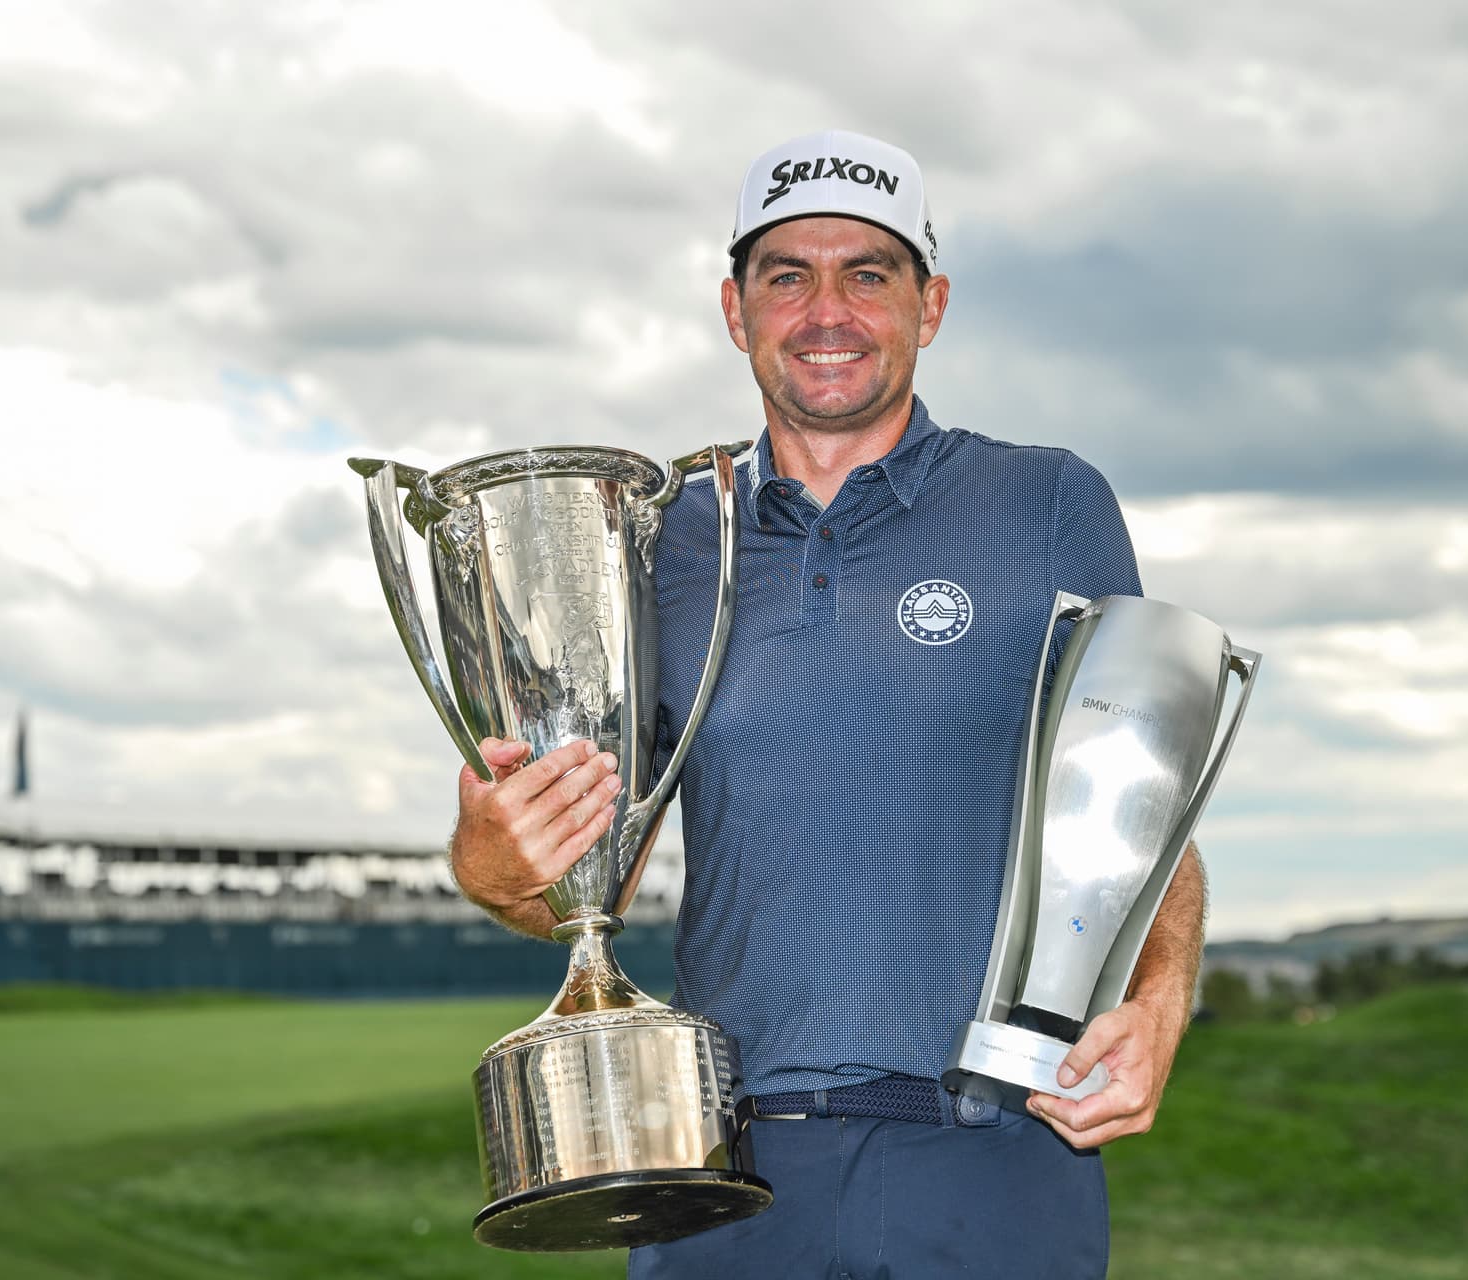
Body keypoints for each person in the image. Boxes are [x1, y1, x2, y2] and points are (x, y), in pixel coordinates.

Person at [447, 130, 1207, 1279]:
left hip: (994, 1152)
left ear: (930, 302)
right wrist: (494, 856)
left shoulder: (1047, 501)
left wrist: (1160, 998)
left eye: (868, 273)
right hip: (722, 1168)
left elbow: (1139, 804)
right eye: (787, 275)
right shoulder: (655, 539)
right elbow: (572, 885)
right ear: (735, 307)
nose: (827, 310)